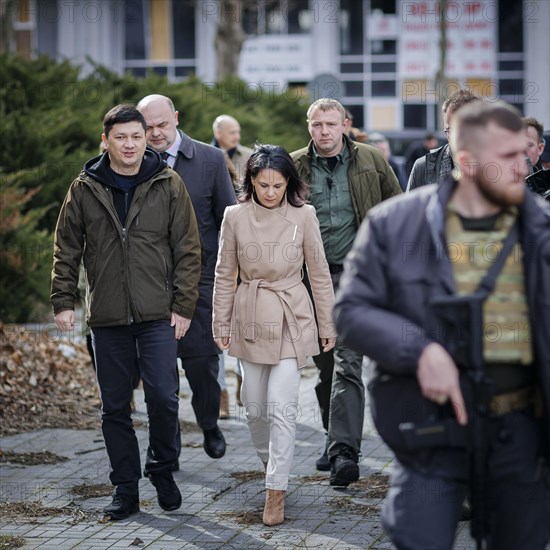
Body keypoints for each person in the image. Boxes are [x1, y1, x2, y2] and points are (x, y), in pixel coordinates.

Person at [334, 100, 550, 550]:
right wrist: (421, 349)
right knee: (420, 537)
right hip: (431, 426)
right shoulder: (396, 225)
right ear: (467, 162)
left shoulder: (539, 226)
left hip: (522, 431)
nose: (524, 164)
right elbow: (351, 312)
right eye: (507, 156)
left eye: (523, 152)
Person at [51, 104, 201, 520]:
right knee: (115, 407)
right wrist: (63, 301)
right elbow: (66, 248)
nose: (130, 144)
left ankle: (162, 468)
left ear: (145, 137)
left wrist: (183, 305)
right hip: (107, 318)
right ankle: (126, 489)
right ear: (106, 140)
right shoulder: (83, 188)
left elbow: (188, 249)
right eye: (121, 137)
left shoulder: (167, 183)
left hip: (157, 314)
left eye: (137, 136)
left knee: (163, 398)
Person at [212, 144, 336, 526]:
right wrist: (220, 322)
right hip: (250, 315)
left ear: (288, 183)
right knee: (254, 407)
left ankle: (276, 489)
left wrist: (328, 322)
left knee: (282, 406)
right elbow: (223, 272)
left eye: (277, 185)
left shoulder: (305, 214)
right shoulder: (234, 216)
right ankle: (271, 462)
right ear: (250, 180)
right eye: (263, 184)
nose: (270, 192)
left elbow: (318, 272)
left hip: (290, 315)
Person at [290, 98, 402, 485]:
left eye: (331, 124)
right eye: (317, 124)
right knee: (325, 367)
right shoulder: (294, 167)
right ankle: (332, 437)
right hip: (311, 282)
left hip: (358, 279)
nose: (324, 132)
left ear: (345, 125)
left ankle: (343, 454)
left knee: (347, 363)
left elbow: (397, 212)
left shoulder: (371, 160)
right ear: (309, 126)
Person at [137, 95, 236, 462]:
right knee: (159, 377)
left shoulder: (210, 160)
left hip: (201, 282)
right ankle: (167, 447)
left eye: (162, 125)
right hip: (151, 285)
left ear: (176, 118)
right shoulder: (134, 163)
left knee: (202, 366)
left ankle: (209, 423)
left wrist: (231, 279)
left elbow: (229, 220)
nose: (155, 134)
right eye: (147, 127)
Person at [407, 88, 480, 192]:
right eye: (451, 130)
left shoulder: (500, 164)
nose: (458, 138)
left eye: (466, 130)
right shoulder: (423, 167)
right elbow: (410, 207)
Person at [212, 114, 253, 182]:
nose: (237, 137)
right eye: (232, 132)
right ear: (218, 133)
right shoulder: (203, 156)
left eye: (238, 132)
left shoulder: (251, 156)